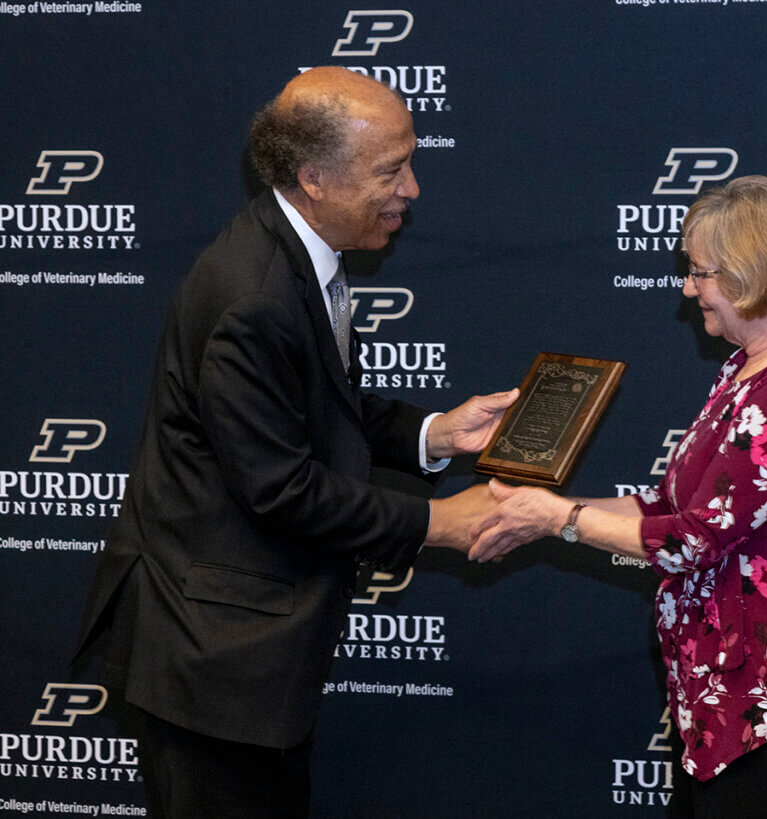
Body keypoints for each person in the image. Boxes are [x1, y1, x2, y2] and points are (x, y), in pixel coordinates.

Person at [75, 66, 516, 819]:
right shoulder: (254, 295)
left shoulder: (297, 250)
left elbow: (319, 406)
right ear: (314, 177)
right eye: (390, 169)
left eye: (410, 160)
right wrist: (439, 522)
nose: (412, 187)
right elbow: (281, 488)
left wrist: (435, 432)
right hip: (212, 659)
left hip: (247, 652)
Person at [470, 176, 767, 817]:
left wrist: (560, 518)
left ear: (752, 274)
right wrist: (539, 513)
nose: (686, 289)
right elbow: (672, 509)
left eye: (700, 272)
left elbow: (693, 542)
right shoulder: (750, 364)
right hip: (721, 684)